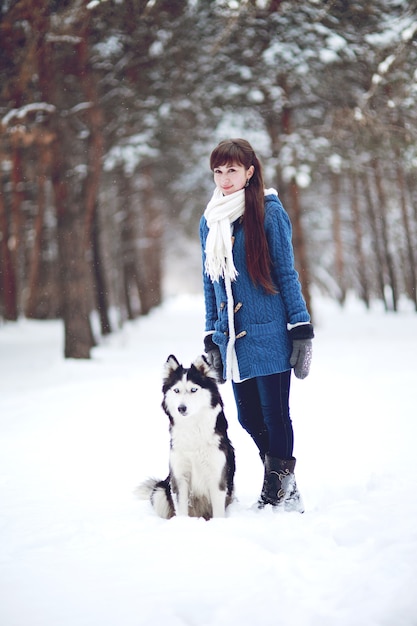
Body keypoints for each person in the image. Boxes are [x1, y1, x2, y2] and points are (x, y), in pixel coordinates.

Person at [199, 138, 313, 512]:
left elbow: (285, 271)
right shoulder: (211, 220)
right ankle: (285, 481)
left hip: (269, 330)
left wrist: (300, 325)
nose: (224, 178)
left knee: (275, 414)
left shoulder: (269, 212)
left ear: (249, 171)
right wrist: (211, 334)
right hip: (232, 338)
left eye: (232, 170)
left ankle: (276, 490)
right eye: (218, 171)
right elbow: (209, 282)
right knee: (247, 417)